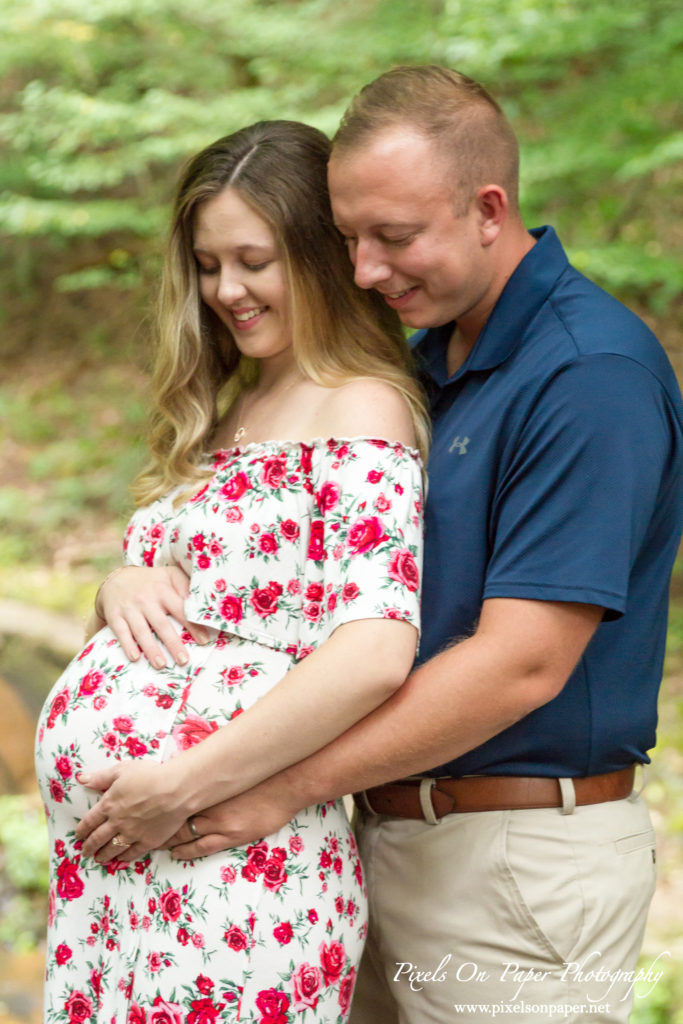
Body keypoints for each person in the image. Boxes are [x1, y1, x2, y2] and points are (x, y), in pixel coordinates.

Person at [84, 68, 683, 1023]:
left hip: (511, 863)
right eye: (349, 239)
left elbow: (521, 664)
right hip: (372, 837)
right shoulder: (426, 358)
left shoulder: (586, 375)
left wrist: (276, 785)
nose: (363, 271)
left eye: (393, 239)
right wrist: (139, 574)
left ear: (488, 209)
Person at [34, 119, 430, 1023]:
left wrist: (182, 781)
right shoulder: (231, 403)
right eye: (208, 265)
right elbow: (198, 598)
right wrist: (116, 586)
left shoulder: (361, 404)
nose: (225, 290)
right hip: (118, 886)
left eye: (253, 261)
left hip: (235, 878)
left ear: (319, 258)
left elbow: (371, 650)